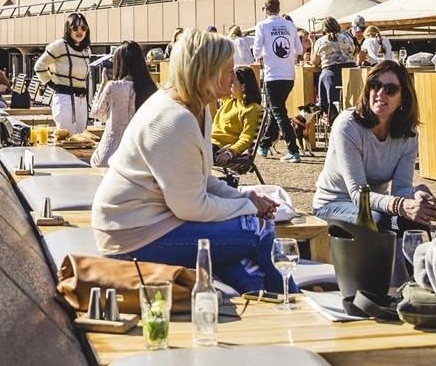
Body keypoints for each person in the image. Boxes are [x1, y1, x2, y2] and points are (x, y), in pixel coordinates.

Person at [91, 29, 291, 294]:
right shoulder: (175, 119)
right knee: (257, 231)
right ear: (206, 72)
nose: (234, 76)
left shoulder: (197, 108)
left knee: (242, 260)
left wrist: (245, 199)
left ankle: (267, 301)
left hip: (154, 222)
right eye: (228, 70)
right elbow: (191, 207)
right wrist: (246, 206)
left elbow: (202, 179)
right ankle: (290, 301)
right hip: (132, 234)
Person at [312, 59, 436, 229]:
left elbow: (400, 189)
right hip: (333, 204)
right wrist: (400, 206)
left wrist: (417, 193)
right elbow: (359, 194)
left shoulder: (408, 134)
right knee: (376, 221)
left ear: (403, 98)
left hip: (377, 206)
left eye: (391, 89)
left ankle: (410, 255)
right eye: (375, 85)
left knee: (415, 220)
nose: (380, 93)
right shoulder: (348, 125)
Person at [252, 0, 303, 163]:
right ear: (278, 9)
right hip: (289, 75)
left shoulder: (262, 25)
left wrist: (260, 55)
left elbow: (257, 51)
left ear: (265, 10)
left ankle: (293, 149)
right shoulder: (290, 25)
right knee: (276, 110)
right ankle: (264, 145)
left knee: (278, 112)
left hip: (273, 74)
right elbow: (299, 49)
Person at [35, 13, 93, 132]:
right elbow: (39, 67)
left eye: (83, 27)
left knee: (81, 140)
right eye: (75, 28)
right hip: (64, 98)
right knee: (66, 139)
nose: (79, 31)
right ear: (68, 29)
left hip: (82, 100)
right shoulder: (59, 46)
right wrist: (52, 84)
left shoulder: (86, 50)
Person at [90, 41, 141, 167]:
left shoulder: (113, 86)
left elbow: (96, 113)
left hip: (109, 155)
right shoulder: (149, 89)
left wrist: (103, 85)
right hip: (137, 157)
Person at [211, 66, 264, 166]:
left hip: (220, 147)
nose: (229, 84)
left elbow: (247, 138)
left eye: (232, 82)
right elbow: (215, 85)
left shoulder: (252, 109)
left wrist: (230, 152)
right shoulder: (230, 101)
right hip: (209, 143)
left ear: (243, 86)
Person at [312, 16, 356, 121]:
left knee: (323, 77)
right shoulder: (348, 38)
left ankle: (327, 115)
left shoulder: (321, 41)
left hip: (332, 75)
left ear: (324, 29)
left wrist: (312, 42)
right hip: (350, 73)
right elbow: (353, 52)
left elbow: (315, 61)